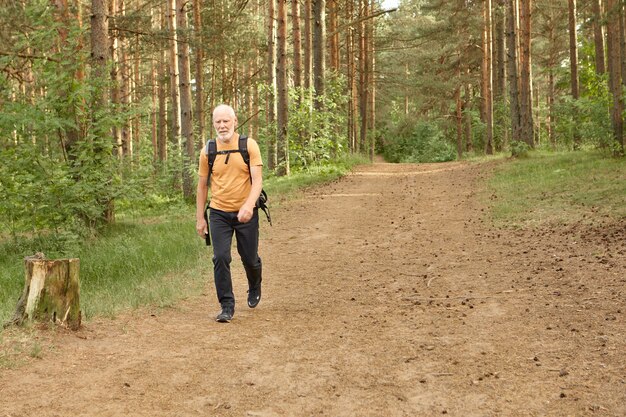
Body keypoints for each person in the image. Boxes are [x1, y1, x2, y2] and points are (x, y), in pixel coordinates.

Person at [196, 104, 264, 323]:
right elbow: (202, 186)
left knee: (249, 258)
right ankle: (227, 305)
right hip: (218, 213)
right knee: (221, 257)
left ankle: (254, 284)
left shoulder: (249, 145)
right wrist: (200, 219)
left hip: (246, 212)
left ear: (235, 121)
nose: (222, 125)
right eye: (218, 122)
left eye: (226, 121)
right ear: (213, 124)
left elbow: (258, 180)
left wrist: (249, 205)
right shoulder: (208, 150)